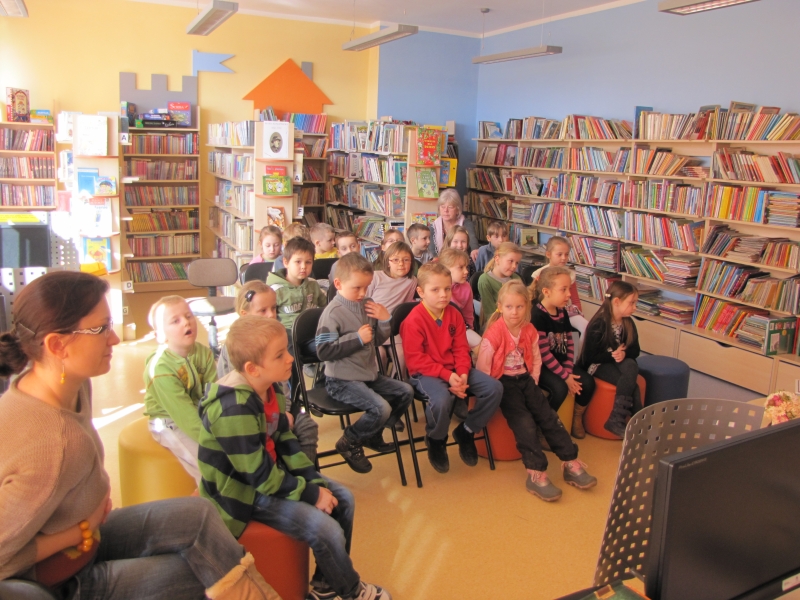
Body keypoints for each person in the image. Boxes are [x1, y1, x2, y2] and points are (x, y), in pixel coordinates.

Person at [0, 271, 277, 599]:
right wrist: (78, 531)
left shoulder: (68, 383)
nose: (114, 339)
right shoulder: (53, 443)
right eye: (100, 329)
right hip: (59, 580)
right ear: (57, 345)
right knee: (199, 569)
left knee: (200, 516)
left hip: (89, 539)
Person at [198, 316, 392, 600]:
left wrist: (313, 481)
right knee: (326, 529)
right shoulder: (233, 409)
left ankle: (326, 586)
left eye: (286, 350)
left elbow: (285, 440)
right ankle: (351, 591)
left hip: (271, 474)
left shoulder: (271, 388)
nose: (290, 358)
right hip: (243, 492)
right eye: (280, 355)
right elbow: (258, 477)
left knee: (344, 499)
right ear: (252, 368)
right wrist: (311, 494)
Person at [476, 280, 597, 501]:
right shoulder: (494, 334)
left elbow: (536, 357)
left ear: (527, 307)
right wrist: (489, 391)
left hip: (525, 379)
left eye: (520, 307)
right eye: (509, 307)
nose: (514, 312)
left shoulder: (529, 329)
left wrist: (532, 380)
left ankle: (570, 461)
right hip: (503, 382)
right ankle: (536, 472)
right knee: (525, 422)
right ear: (500, 307)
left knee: (549, 417)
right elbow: (483, 367)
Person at [400, 262, 503, 474]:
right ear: (421, 292)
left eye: (447, 288)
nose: (443, 294)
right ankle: (436, 438)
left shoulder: (453, 314)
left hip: (455, 370)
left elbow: (460, 349)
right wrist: (448, 376)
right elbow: (416, 360)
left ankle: (467, 430)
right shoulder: (413, 321)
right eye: (435, 290)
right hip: (426, 373)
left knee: (494, 388)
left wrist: (462, 374)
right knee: (441, 399)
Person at [316, 253, 414, 473]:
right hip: (341, 380)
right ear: (338, 284)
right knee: (381, 408)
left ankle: (372, 433)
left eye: (366, 287)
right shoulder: (332, 313)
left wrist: (385, 320)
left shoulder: (367, 304)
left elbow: (376, 340)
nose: (363, 293)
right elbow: (323, 351)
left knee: (406, 391)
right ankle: (349, 441)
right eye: (357, 288)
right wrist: (357, 338)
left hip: (367, 375)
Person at [217, 280, 319, 462]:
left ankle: (306, 473)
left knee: (307, 427)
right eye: (262, 311)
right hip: (249, 411)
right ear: (245, 315)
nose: (271, 315)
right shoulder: (236, 348)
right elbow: (239, 393)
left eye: (274, 308)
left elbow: (282, 382)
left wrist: (284, 410)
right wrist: (278, 416)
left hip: (277, 403)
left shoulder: (275, 338)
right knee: (276, 441)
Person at [143, 295, 216, 484]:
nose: (186, 322)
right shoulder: (160, 369)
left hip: (198, 411)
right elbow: (184, 416)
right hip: (169, 421)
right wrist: (215, 441)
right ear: (160, 335)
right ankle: (208, 498)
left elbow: (213, 394)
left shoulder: (204, 353)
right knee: (210, 465)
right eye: (175, 321)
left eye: (189, 316)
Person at [530, 267, 597, 439]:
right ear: (546, 292)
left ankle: (576, 418)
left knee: (588, 382)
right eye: (563, 289)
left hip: (561, 365)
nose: (568, 294)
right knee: (559, 389)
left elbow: (570, 342)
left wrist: (567, 368)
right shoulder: (537, 315)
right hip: (544, 367)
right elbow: (544, 353)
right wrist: (565, 376)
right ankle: (544, 428)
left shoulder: (562, 312)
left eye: (569, 289)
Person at [578, 280, 641, 437]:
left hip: (617, 363)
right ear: (617, 302)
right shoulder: (599, 323)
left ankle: (619, 419)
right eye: (631, 303)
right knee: (633, 386)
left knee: (631, 364)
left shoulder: (628, 323)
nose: (635, 307)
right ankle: (638, 423)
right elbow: (591, 356)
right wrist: (613, 355)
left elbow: (635, 350)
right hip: (598, 364)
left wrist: (624, 354)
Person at [366, 240, 417, 380]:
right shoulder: (376, 277)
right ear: (388, 262)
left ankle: (397, 382)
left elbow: (404, 308)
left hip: (394, 329)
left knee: (402, 355)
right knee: (380, 356)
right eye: (395, 260)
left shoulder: (412, 281)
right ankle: (380, 385)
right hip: (373, 327)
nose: (401, 264)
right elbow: (363, 301)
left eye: (406, 260)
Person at [531, 236, 589, 345]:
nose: (563, 258)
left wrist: (580, 313)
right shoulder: (539, 273)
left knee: (586, 327)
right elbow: (535, 297)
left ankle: (578, 354)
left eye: (566, 254)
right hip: (547, 311)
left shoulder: (570, 274)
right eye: (559, 254)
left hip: (567, 311)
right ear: (548, 254)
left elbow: (575, 299)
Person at [267, 237, 327, 333]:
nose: (303, 266)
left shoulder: (313, 285)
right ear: (286, 262)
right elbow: (267, 319)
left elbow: (326, 308)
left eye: (308, 262)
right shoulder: (275, 290)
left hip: (312, 331)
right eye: (298, 262)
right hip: (286, 333)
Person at [437, 248, 481, 349]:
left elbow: (468, 313)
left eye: (466, 267)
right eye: (461, 268)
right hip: (439, 329)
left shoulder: (466, 287)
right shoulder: (436, 288)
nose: (466, 271)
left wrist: (470, 330)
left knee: (483, 347)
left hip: (460, 326)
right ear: (446, 269)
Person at [477, 241, 523, 329]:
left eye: (517, 263)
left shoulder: (516, 278)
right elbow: (490, 313)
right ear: (497, 259)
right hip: (495, 326)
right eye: (511, 261)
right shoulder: (485, 280)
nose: (514, 266)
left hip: (516, 324)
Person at [428, 188, 479, 258]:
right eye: (442, 207)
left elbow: (472, 240)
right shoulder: (433, 228)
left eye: (450, 207)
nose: (446, 210)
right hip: (440, 262)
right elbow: (433, 253)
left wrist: (474, 250)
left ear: (458, 209)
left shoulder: (466, 223)